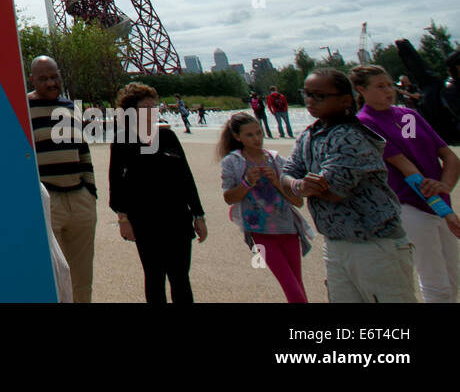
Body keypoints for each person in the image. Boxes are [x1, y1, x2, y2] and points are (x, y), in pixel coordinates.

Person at [280, 69, 419, 303]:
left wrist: (299, 187)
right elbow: (286, 174)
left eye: (320, 95)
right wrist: (299, 185)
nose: (311, 101)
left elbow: (332, 190)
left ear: (346, 100)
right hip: (336, 243)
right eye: (307, 94)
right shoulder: (310, 135)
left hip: (375, 244)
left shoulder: (350, 136)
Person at [351, 64, 460, 302]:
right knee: (436, 282)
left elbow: (449, 156)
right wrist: (444, 210)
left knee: (453, 279)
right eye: (380, 86)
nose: (389, 90)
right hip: (410, 205)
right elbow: (409, 171)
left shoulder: (407, 116)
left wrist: (445, 186)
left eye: (390, 85)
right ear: (361, 89)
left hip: (438, 201)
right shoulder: (365, 123)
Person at [110, 82, 207, 303]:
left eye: (154, 107)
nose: (152, 112)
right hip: (145, 221)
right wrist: (123, 219)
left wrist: (198, 215)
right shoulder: (123, 141)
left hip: (177, 219)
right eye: (146, 108)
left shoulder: (168, 137)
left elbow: (186, 178)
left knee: (180, 277)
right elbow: (116, 184)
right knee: (154, 278)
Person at [218, 113, 312, 302]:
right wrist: (247, 182)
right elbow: (228, 198)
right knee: (291, 287)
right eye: (249, 135)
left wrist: (277, 183)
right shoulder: (232, 162)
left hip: (288, 229)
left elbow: (298, 201)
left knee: (297, 284)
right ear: (237, 137)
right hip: (258, 233)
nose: (257, 139)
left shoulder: (278, 160)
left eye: (259, 133)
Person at [26, 55, 96, 303]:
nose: (51, 82)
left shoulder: (70, 107)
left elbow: (83, 150)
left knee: (82, 274)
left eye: (54, 76)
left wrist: (90, 192)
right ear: (32, 79)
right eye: (43, 78)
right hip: (48, 201)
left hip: (79, 200)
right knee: (53, 275)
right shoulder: (23, 108)